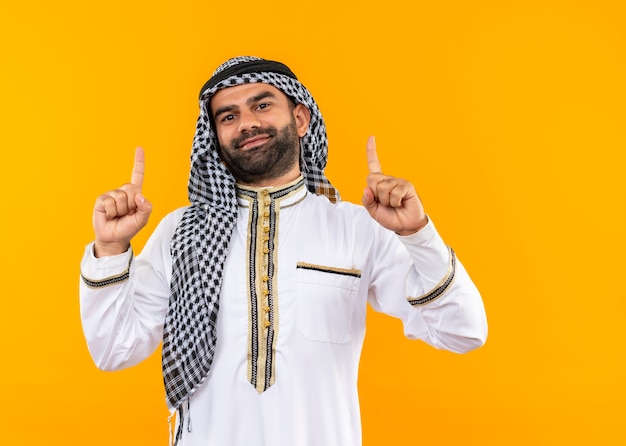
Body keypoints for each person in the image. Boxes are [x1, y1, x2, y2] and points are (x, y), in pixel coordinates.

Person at [80, 56, 488, 446]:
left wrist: (417, 234)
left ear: (300, 117)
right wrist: (111, 247)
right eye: (229, 115)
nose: (247, 123)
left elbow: (464, 331)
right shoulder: (180, 233)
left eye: (262, 104)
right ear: (215, 137)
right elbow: (114, 349)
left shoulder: (357, 227)